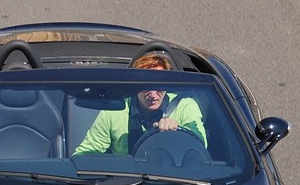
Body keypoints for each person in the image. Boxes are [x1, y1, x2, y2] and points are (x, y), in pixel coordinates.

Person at [73, 52, 206, 155]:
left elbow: (200, 144)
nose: (153, 94)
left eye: (159, 86)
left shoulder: (185, 106)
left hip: (173, 182)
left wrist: (179, 134)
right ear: (135, 86)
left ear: (167, 84)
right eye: (145, 86)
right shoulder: (114, 110)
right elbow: (84, 155)